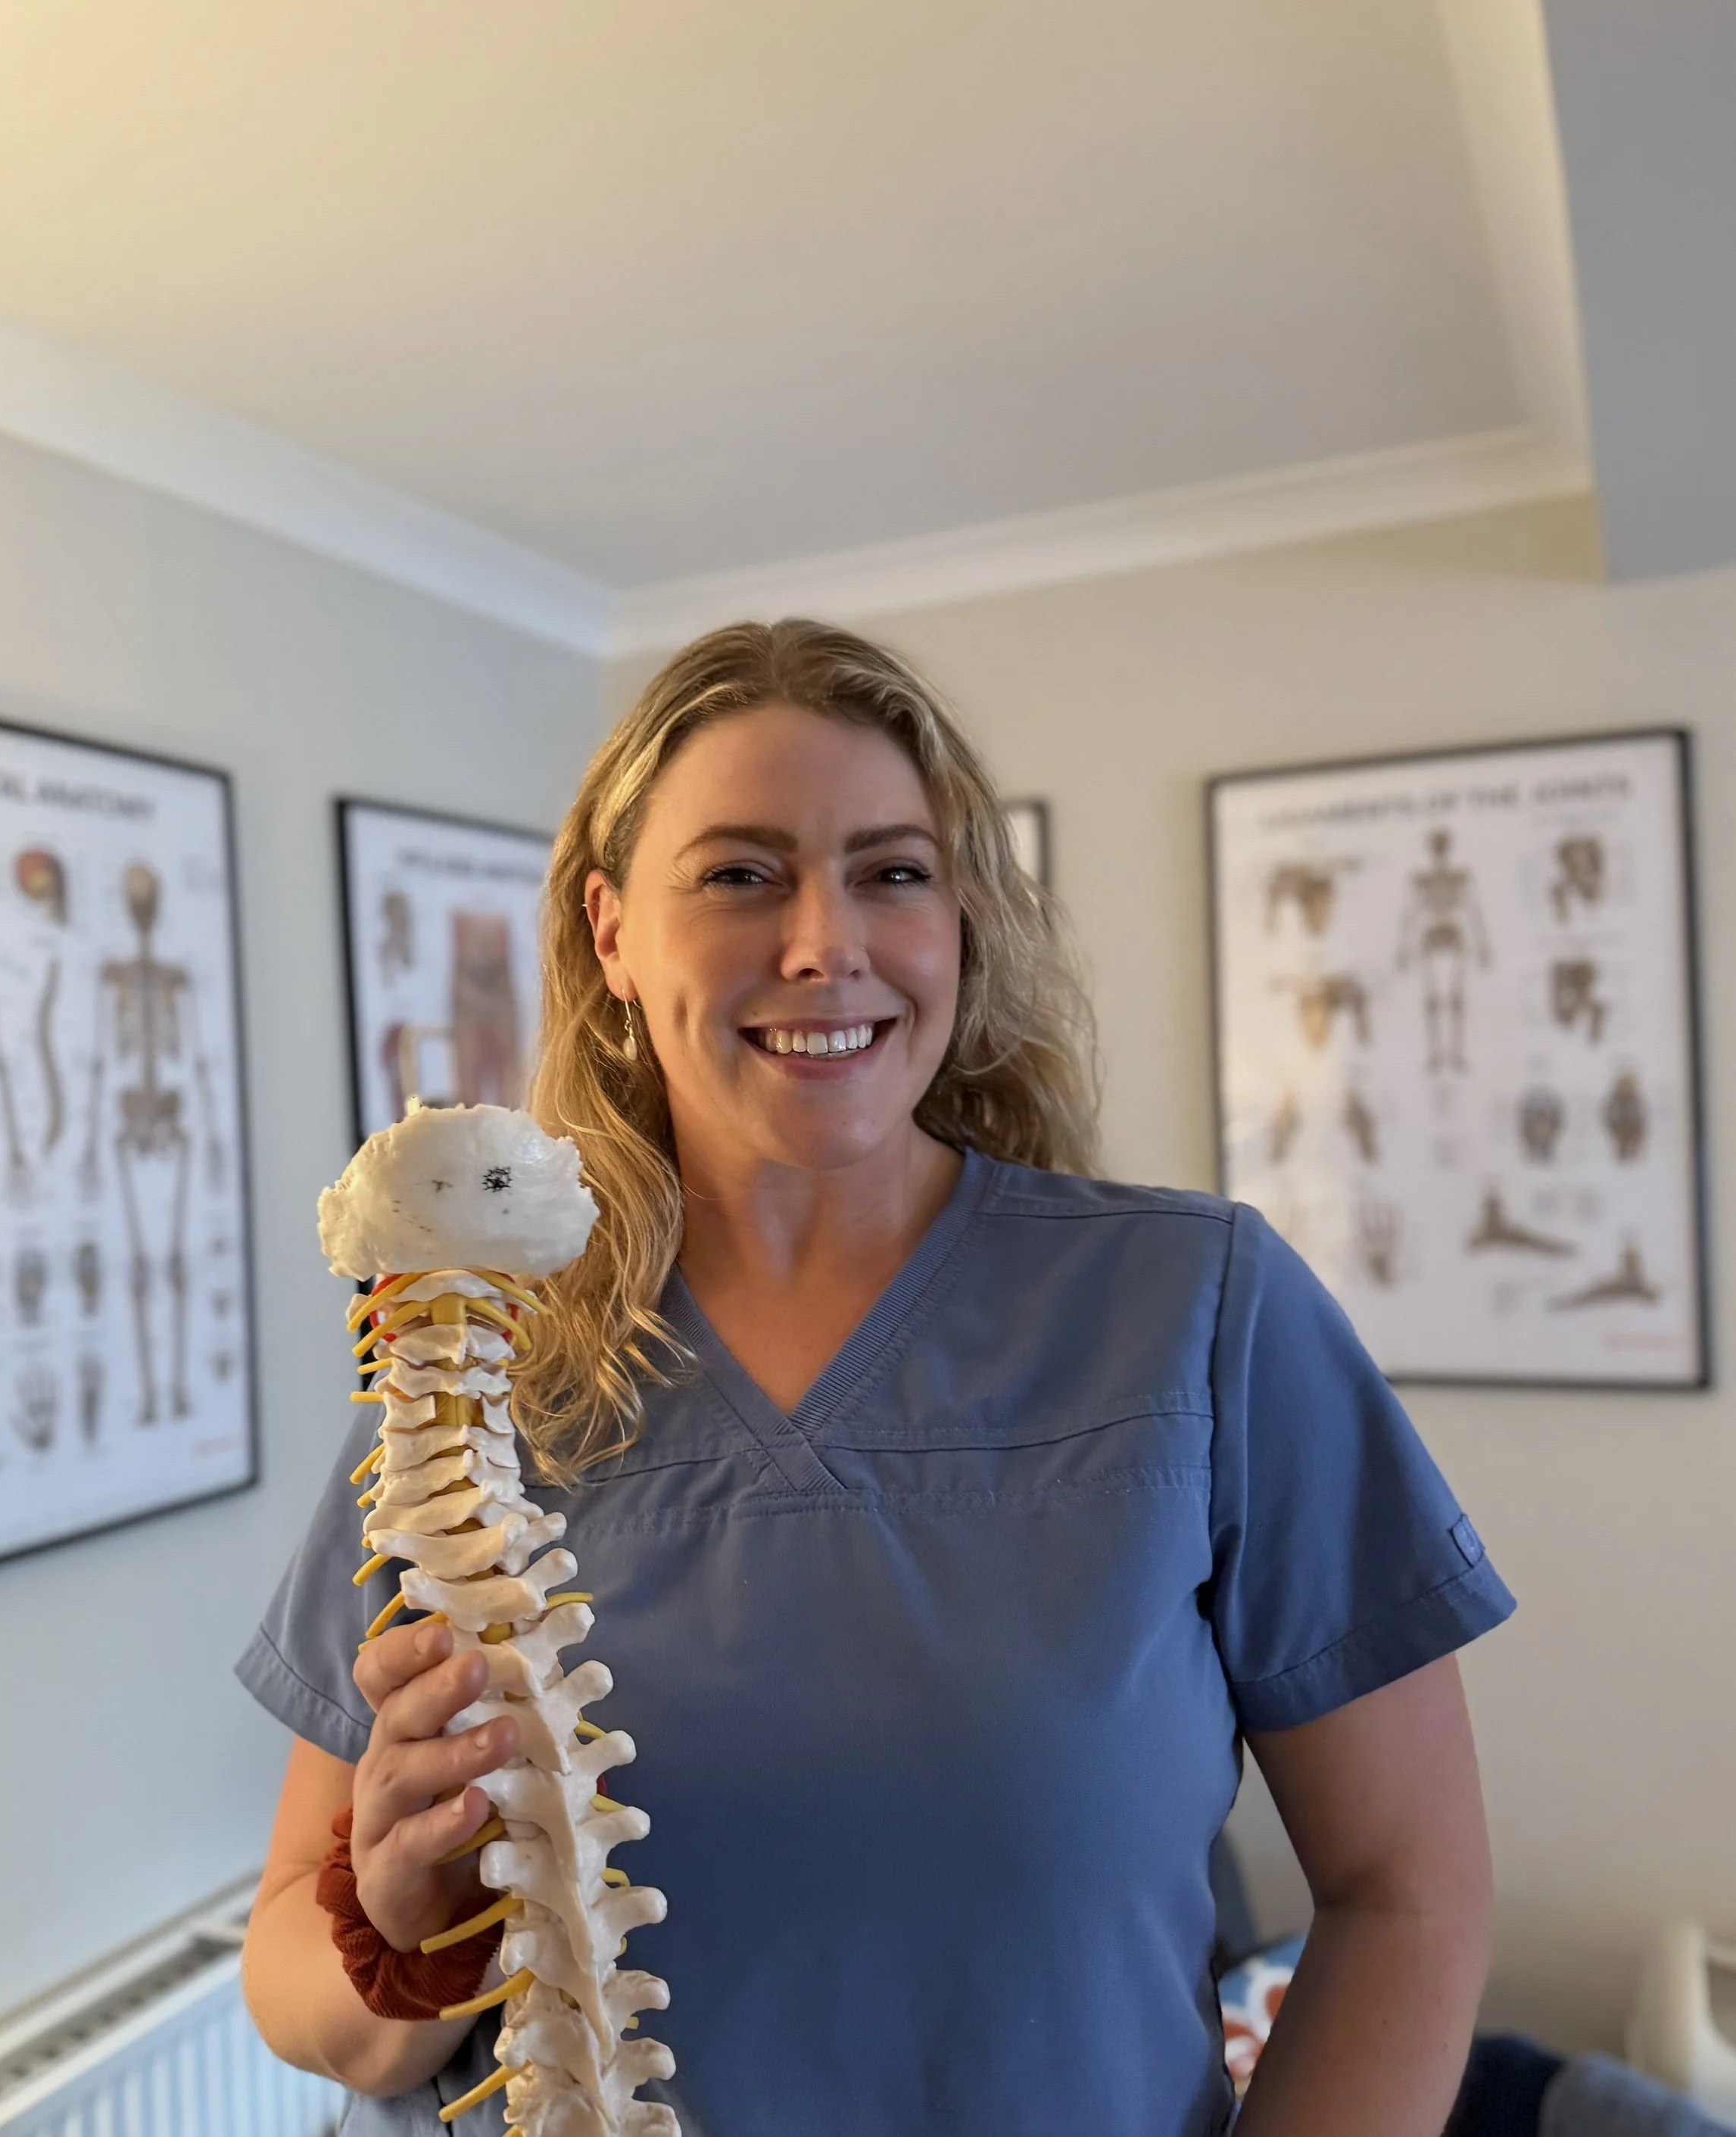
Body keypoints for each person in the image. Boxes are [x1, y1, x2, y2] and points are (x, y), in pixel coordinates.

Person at [239, 619, 1513, 2136]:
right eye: (738, 873)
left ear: (958, 923)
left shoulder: (1197, 1316)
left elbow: (1408, 1896)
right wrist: (400, 1918)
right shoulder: (472, 1376)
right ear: (608, 933)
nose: (821, 942)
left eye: (892, 871)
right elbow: (301, 1996)